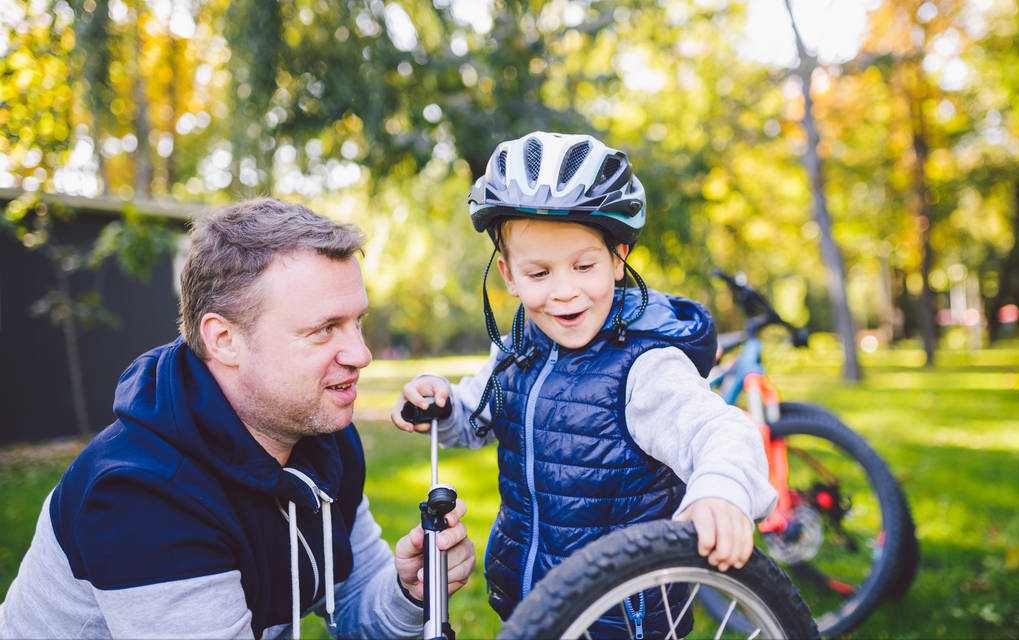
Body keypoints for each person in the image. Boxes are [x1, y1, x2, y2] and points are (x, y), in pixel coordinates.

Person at [0, 198, 475, 639]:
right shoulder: (142, 495)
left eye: (357, 322)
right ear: (224, 340)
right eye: (325, 329)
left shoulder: (321, 438)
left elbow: (357, 608)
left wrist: (411, 592)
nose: (362, 354)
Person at [392, 131, 777, 636]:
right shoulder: (517, 349)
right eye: (539, 273)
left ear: (618, 260)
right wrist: (439, 404)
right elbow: (477, 414)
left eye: (584, 265)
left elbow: (721, 430)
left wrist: (721, 491)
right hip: (532, 607)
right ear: (508, 276)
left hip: (621, 617)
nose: (565, 292)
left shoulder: (645, 367)